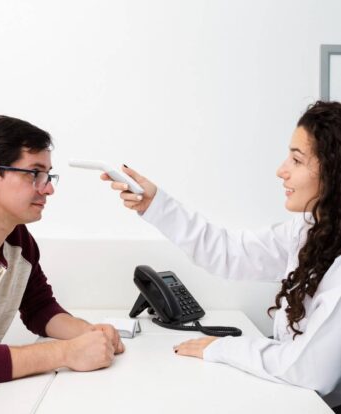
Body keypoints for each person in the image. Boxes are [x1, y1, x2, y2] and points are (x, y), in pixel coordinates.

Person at [102, 101, 341, 407]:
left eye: (296, 160)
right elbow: (229, 252)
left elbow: (310, 371)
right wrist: (155, 204)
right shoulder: (307, 231)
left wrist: (222, 349)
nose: (281, 171)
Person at [0, 116, 124, 413]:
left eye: (48, 176)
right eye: (34, 174)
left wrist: (89, 333)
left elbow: (39, 308)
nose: (47, 190)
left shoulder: (18, 240)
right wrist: (65, 352)